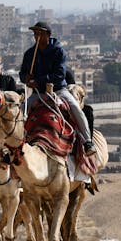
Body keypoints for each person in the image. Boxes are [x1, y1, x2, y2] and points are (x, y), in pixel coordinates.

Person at [19, 21, 97, 156]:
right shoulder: (30, 54)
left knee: (75, 109)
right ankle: (16, 143)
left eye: (40, 33)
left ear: (48, 35)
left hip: (59, 91)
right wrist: (26, 78)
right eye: (35, 33)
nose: (36, 36)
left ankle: (87, 141)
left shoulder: (58, 51)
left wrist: (38, 80)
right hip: (39, 93)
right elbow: (22, 74)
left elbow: (60, 75)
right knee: (21, 112)